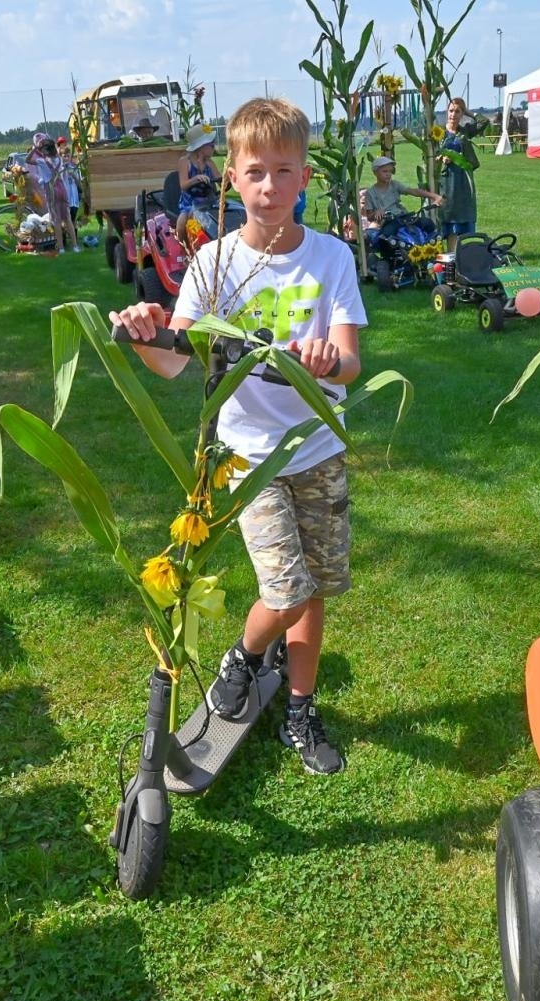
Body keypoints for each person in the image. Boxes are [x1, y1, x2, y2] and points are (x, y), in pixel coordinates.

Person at [111, 96, 366, 775]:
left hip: (318, 449)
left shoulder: (331, 259)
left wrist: (324, 362)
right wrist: (144, 333)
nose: (270, 187)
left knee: (315, 590)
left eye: (285, 171)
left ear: (305, 178)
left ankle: (302, 709)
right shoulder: (212, 266)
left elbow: (350, 360)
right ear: (231, 177)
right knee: (285, 590)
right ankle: (247, 655)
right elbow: (174, 360)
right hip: (248, 458)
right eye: (256, 172)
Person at [176, 128, 244, 239]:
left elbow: (218, 179)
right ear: (200, 147)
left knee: (223, 218)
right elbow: (183, 185)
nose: (214, 147)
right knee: (181, 223)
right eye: (211, 145)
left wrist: (226, 179)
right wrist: (196, 179)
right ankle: (184, 249)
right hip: (190, 202)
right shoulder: (184, 161)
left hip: (209, 200)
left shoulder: (209, 162)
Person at [358, 154, 442, 239]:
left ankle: (430, 246)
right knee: (387, 234)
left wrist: (434, 196)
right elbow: (369, 216)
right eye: (385, 171)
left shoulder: (395, 184)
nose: (388, 174)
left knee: (428, 223)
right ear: (375, 172)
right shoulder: (370, 193)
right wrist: (376, 213)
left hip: (403, 217)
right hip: (388, 221)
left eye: (390, 171)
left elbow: (413, 191)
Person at [437, 97, 480, 252]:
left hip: (463, 181)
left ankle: (463, 259)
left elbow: (483, 122)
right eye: (451, 110)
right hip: (446, 181)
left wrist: (469, 112)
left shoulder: (465, 132)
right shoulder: (438, 133)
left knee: (464, 221)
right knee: (449, 220)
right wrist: (441, 159)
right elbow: (428, 156)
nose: (453, 114)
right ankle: (450, 260)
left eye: (457, 111)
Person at [25, 132, 79, 253]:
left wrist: (35, 149)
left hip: (51, 190)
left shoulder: (42, 161)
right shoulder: (59, 159)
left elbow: (27, 160)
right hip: (62, 189)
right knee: (68, 219)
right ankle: (75, 246)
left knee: (57, 220)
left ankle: (61, 248)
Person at [56, 135, 82, 226]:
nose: (66, 158)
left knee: (73, 221)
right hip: (64, 200)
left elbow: (79, 185)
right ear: (60, 157)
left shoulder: (74, 167)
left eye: (68, 156)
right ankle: (64, 239)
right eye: (64, 156)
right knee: (64, 222)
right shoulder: (59, 169)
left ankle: (74, 238)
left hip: (74, 200)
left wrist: (73, 175)